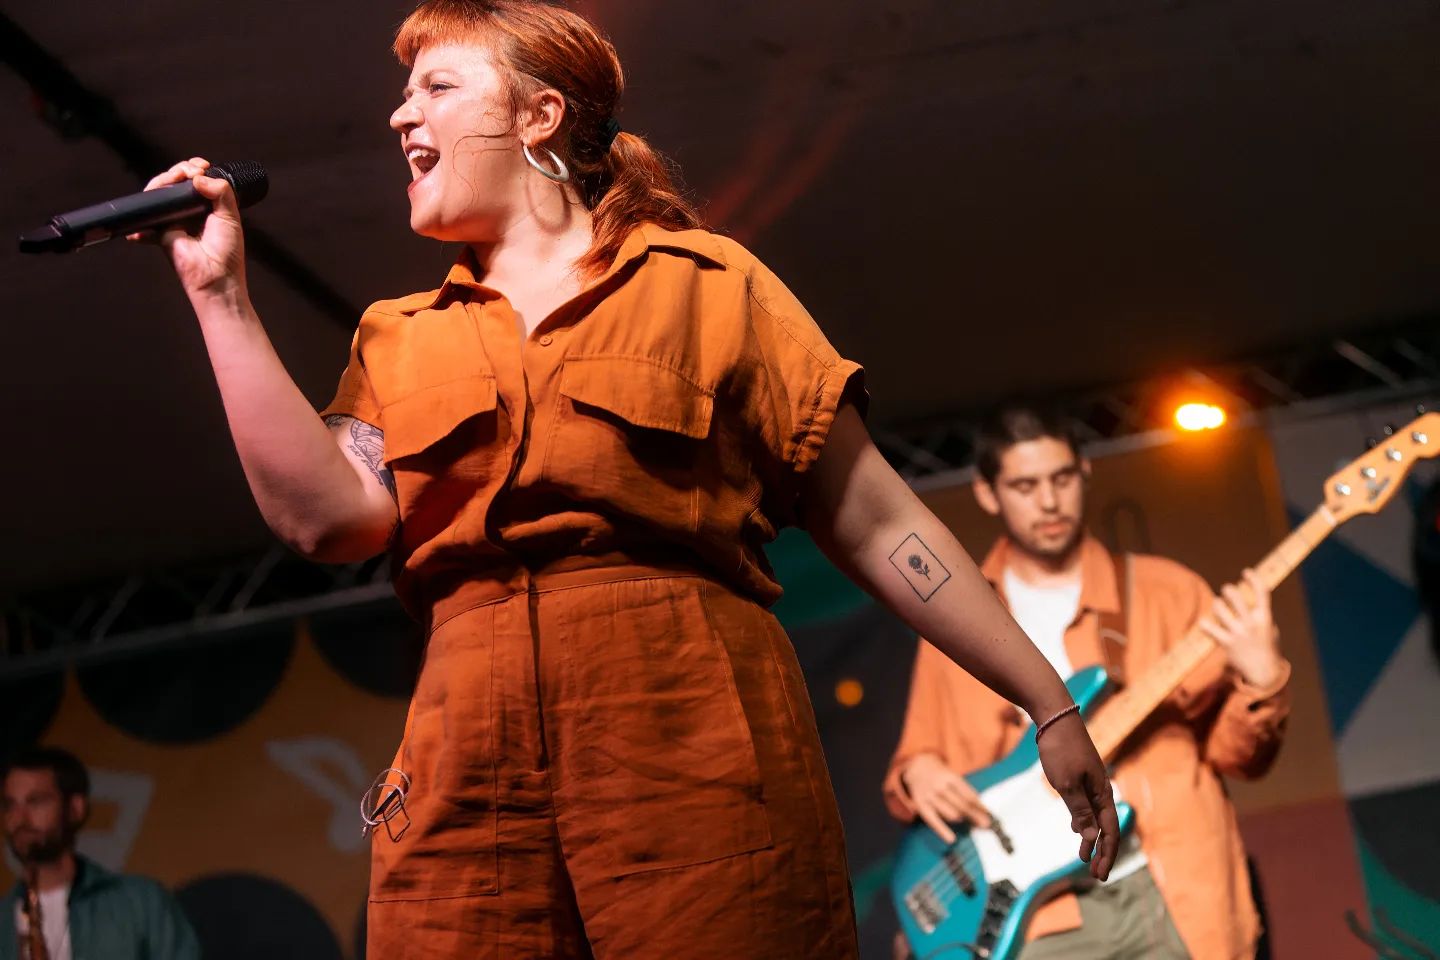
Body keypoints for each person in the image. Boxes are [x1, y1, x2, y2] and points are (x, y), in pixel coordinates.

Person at [138, 2, 1119, 956]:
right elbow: (324, 522)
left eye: (436, 87)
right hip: (463, 782)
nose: (401, 115)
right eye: (406, 94)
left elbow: (876, 522)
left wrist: (1047, 701)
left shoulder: (708, 285)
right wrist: (219, 295)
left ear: (539, 115)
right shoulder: (398, 336)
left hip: (695, 751)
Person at [885, 404, 1292, 960]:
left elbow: (1239, 758)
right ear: (987, 493)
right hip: (1040, 916)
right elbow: (916, 758)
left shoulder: (1169, 592)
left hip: (1166, 883)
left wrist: (1261, 681)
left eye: (1061, 479)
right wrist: (918, 773)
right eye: (1025, 486)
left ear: (1085, 473)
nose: (1048, 502)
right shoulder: (956, 619)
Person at [0, 747, 199, 960]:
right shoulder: (4, 918)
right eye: (9, 805)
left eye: (36, 802)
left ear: (75, 808)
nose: (19, 819)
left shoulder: (141, 903)